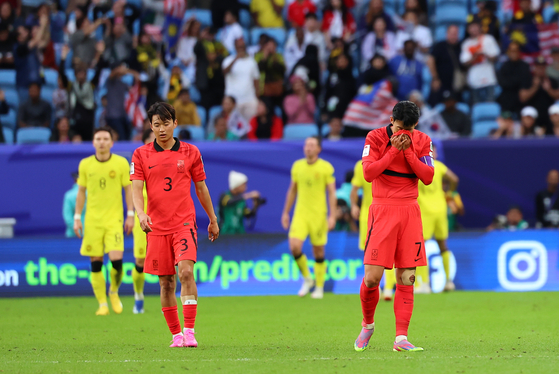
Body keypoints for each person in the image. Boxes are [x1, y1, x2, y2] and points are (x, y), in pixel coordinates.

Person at [131, 102, 219, 348]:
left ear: (175, 123)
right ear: (150, 126)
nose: (161, 129)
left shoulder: (191, 152)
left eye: (166, 123)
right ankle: (176, 335)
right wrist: (140, 214)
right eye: (156, 125)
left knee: (186, 272)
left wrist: (212, 218)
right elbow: (136, 189)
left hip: (183, 223)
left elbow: (201, 188)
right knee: (166, 282)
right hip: (156, 227)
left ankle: (190, 332)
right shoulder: (140, 155)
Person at [354, 100, 434, 352]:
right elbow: (368, 174)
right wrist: (392, 151)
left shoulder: (422, 139)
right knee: (371, 278)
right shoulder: (375, 137)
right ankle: (368, 325)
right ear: (391, 120)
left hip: (409, 211)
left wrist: (408, 151)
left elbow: (428, 177)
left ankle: (401, 338)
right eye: (400, 128)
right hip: (383, 209)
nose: (404, 134)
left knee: (407, 277)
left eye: (408, 130)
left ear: (416, 125)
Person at [73, 127, 134, 316]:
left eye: (105, 138)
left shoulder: (121, 163)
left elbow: (129, 189)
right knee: (96, 262)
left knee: (117, 261)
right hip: (92, 220)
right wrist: (77, 217)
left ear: (111, 142)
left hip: (114, 219)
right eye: (98, 138)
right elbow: (81, 192)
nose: (101, 142)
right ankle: (102, 304)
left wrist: (130, 214)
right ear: (93, 142)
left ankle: (113, 292)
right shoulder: (85, 164)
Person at [281, 136, 336, 299]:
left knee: (318, 251)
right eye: (306, 145)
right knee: (294, 246)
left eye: (312, 145)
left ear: (319, 149)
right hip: (300, 214)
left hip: (318, 215)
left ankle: (319, 286)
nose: (308, 148)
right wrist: (285, 212)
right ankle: (307, 278)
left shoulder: (326, 167)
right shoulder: (297, 166)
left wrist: (332, 215)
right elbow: (292, 190)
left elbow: (332, 192)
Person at [350, 160, 396, 301]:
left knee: (389, 251)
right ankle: (375, 287)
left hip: (388, 212)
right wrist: (353, 206)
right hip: (367, 216)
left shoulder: (391, 159)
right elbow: (354, 189)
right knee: (369, 253)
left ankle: (388, 288)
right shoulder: (361, 165)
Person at [416, 143, 458, 293]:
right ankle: (449, 282)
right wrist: (449, 194)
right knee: (443, 245)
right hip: (440, 209)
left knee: (420, 247)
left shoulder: (416, 166)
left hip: (424, 211)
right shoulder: (439, 166)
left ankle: (425, 284)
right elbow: (454, 179)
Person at [130, 129, 156, 314]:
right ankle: (138, 295)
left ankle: (173, 298)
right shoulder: (137, 161)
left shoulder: (170, 159)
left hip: (164, 218)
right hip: (143, 218)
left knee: (172, 260)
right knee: (140, 259)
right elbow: (133, 192)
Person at [459, 20, 500, 104]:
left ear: (480, 27)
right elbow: (464, 63)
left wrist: (484, 53)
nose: (474, 29)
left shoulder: (489, 39)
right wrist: (474, 57)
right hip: (474, 81)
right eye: (471, 27)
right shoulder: (466, 44)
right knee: (476, 107)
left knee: (490, 106)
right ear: (468, 30)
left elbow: (495, 57)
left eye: (475, 26)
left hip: (489, 80)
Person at [222, 38, 260, 122]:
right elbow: (224, 72)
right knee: (233, 126)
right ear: (235, 47)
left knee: (250, 125)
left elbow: (256, 80)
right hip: (232, 100)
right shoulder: (228, 60)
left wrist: (257, 97)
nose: (241, 49)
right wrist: (236, 59)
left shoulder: (252, 62)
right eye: (239, 47)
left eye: (243, 47)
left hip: (249, 100)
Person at [519, 57, 559, 135]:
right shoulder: (528, 80)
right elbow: (522, 98)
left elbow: (557, 96)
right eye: (538, 67)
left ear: (546, 68)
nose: (541, 69)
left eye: (542, 67)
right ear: (535, 68)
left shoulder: (552, 81)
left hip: (549, 119)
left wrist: (549, 89)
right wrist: (534, 87)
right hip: (532, 118)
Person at [426, 24, 464, 106]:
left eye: (455, 33)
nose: (453, 35)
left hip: (456, 85)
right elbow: (430, 60)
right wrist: (435, 78)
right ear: (447, 34)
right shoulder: (440, 46)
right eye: (451, 33)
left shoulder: (461, 46)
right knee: (435, 106)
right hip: (441, 83)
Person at [497, 41, 530, 119]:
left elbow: (526, 83)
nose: (513, 53)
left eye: (515, 51)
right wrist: (517, 80)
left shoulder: (524, 66)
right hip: (506, 101)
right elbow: (503, 83)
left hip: (521, 102)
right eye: (511, 51)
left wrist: (511, 81)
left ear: (519, 52)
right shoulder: (504, 66)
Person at [63, 172, 84, 238]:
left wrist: (78, 231)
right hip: (91, 234)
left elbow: (67, 217)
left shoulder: (69, 195)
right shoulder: (92, 194)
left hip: (73, 235)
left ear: (74, 180)